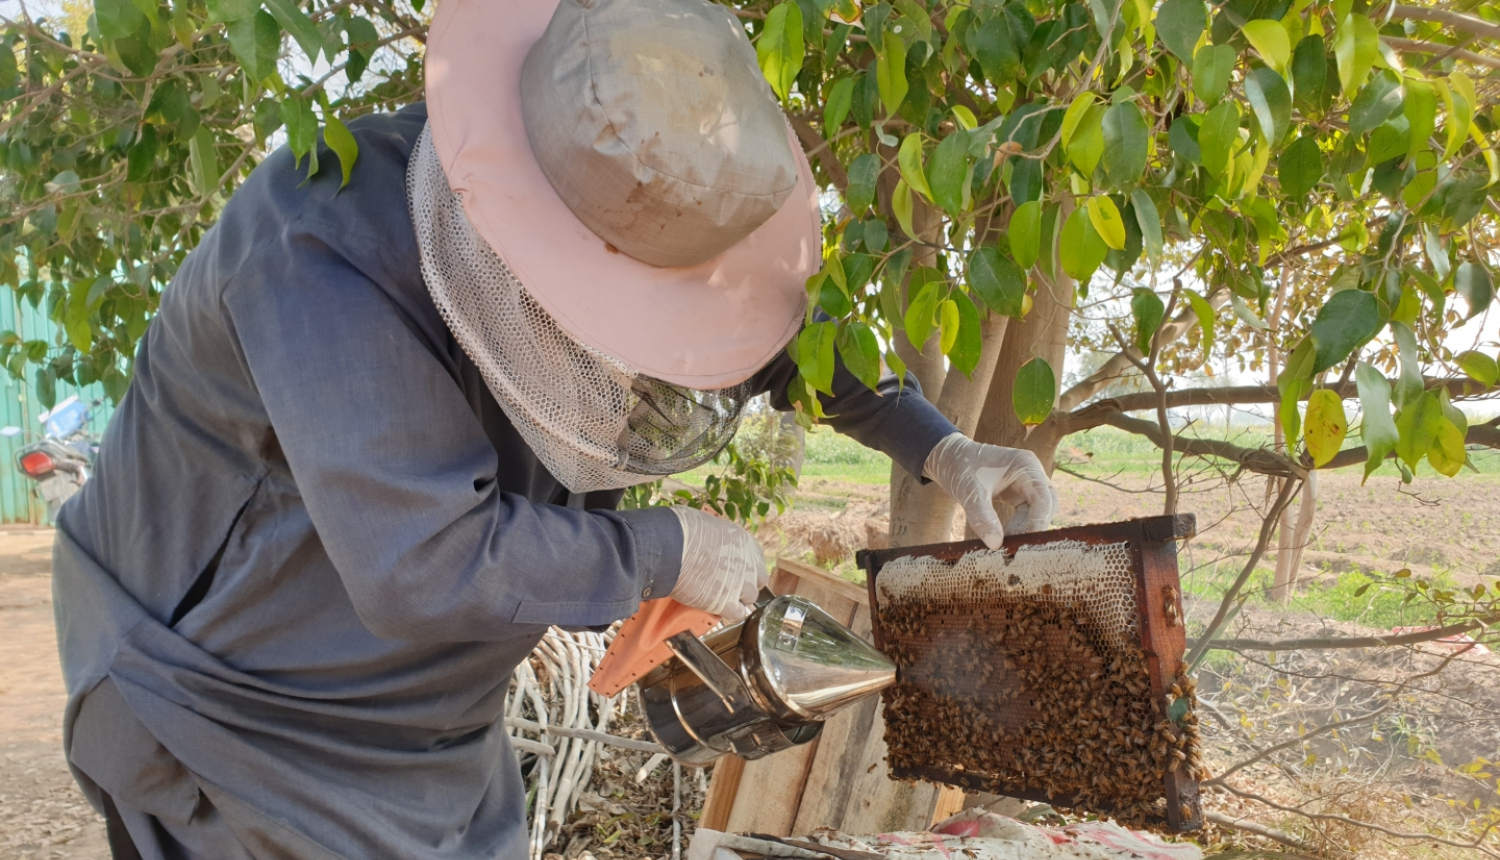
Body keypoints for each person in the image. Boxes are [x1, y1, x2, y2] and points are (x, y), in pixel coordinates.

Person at [51, 0, 1058, 857]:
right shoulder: (318, 246)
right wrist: (667, 548)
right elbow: (424, 561)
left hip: (439, 721)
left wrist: (941, 445)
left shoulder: (652, 190)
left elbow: (785, 336)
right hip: (235, 708)